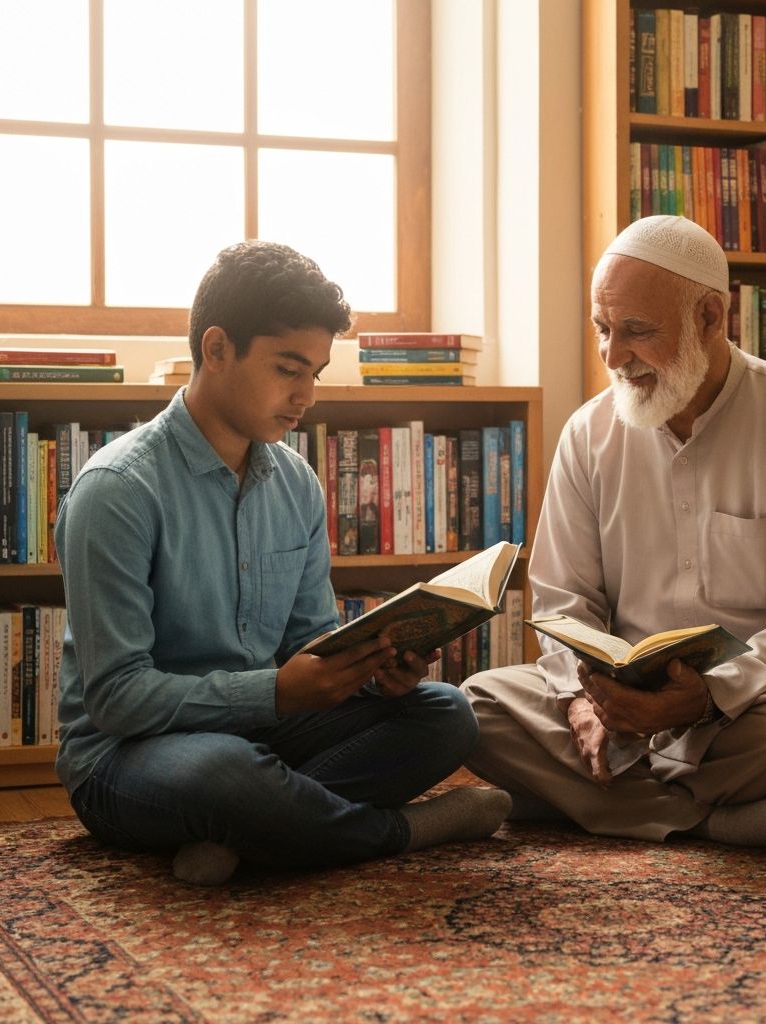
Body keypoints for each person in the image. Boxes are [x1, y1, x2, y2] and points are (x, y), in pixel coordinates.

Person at [55, 240, 510, 885]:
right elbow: (118, 700)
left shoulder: (295, 481)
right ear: (216, 350)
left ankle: (254, 830)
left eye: (316, 372)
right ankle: (403, 831)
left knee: (445, 714)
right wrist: (274, 692)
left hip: (268, 732)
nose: (308, 396)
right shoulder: (118, 491)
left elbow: (307, 644)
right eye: (288, 369)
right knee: (223, 776)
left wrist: (376, 670)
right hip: (126, 756)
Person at [462, 215, 766, 860]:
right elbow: (562, 603)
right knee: (473, 708)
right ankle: (723, 819)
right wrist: (587, 700)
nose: (613, 356)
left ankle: (592, 799)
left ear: (711, 318)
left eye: (637, 331)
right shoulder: (589, 433)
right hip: (626, 706)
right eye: (603, 330)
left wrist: (706, 698)